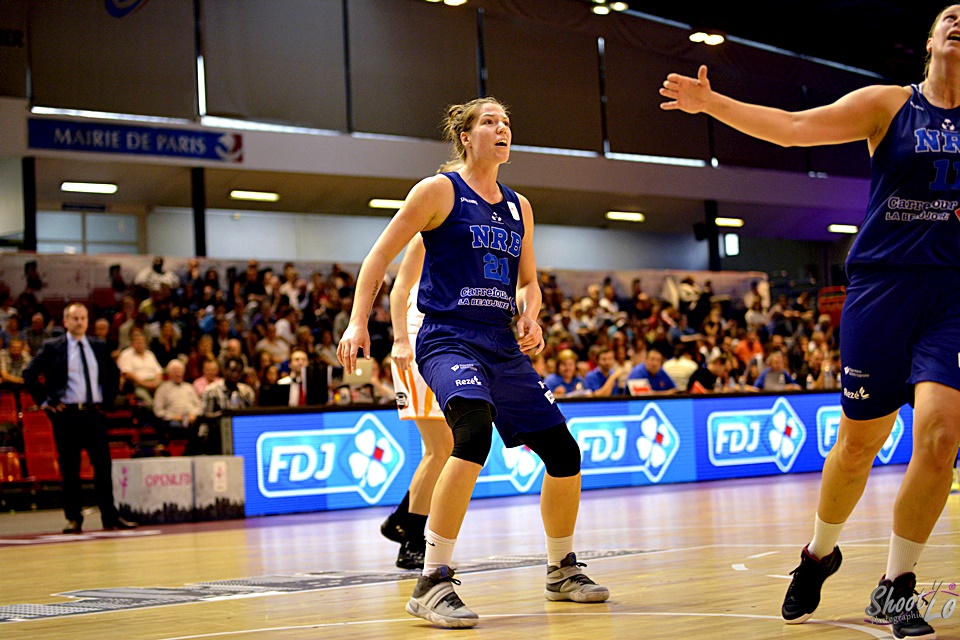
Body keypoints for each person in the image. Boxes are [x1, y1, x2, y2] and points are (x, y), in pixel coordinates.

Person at [660, 9, 960, 636]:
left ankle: (896, 584)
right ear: (929, 39)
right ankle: (819, 554)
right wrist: (713, 104)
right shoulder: (889, 105)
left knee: (939, 436)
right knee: (858, 444)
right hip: (882, 288)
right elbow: (795, 130)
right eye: (950, 17)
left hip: (951, 297)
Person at [338, 97, 608, 628]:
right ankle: (432, 580)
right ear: (466, 136)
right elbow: (378, 257)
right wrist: (356, 322)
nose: (502, 128)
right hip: (448, 337)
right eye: (490, 121)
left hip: (501, 345)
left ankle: (561, 569)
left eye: (507, 121)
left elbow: (528, 282)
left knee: (563, 450)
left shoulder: (519, 206)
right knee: (472, 434)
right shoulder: (439, 191)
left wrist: (530, 316)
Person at [22, 303, 136, 534]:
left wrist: (108, 401)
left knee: (103, 467)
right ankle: (74, 519)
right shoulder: (53, 347)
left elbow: (113, 374)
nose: (80, 322)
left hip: (94, 413)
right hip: (67, 415)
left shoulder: (98, 345)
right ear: (65, 321)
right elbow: (29, 374)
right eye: (75, 318)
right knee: (70, 470)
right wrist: (46, 401)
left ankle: (110, 517)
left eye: (83, 318)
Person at [380, 233, 454, 571]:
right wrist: (399, 339)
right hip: (417, 343)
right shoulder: (427, 237)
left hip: (442, 341)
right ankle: (411, 539)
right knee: (440, 449)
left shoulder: (463, 236)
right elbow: (399, 290)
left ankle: (401, 521)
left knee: (443, 449)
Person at [152, 359, 202, 444]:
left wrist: (193, 414)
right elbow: (158, 410)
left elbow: (199, 405)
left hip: (191, 419)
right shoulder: (162, 389)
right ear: (169, 374)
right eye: (175, 372)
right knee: (175, 426)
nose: (178, 374)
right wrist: (172, 416)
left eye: (180, 372)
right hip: (173, 421)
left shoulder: (189, 387)